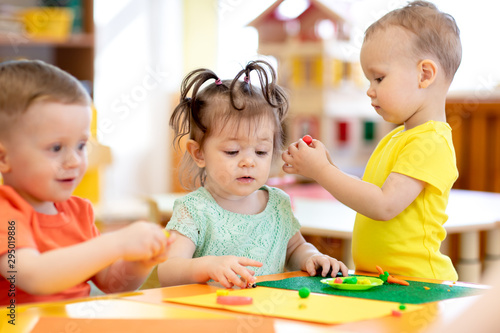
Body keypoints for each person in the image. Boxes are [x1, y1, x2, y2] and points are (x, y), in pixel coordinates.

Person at [282, 1, 461, 281]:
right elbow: (368, 195)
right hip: (381, 280)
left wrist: (322, 172)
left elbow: (383, 205)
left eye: (379, 78)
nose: (369, 90)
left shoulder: (431, 142)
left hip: (418, 283)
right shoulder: (396, 138)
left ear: (424, 74)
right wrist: (328, 166)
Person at [157, 60, 348, 288]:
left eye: (261, 151)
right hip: (208, 317)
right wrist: (207, 266)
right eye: (232, 151)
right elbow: (168, 270)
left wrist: (311, 257)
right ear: (199, 153)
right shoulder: (194, 210)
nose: (248, 161)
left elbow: (295, 248)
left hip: (265, 316)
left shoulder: (278, 204)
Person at [0, 60, 174, 305]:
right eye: (56, 147)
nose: (73, 161)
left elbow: (111, 284)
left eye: (81, 145)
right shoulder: (6, 212)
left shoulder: (78, 212)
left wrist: (140, 262)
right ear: (3, 158)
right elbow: (33, 276)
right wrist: (117, 243)